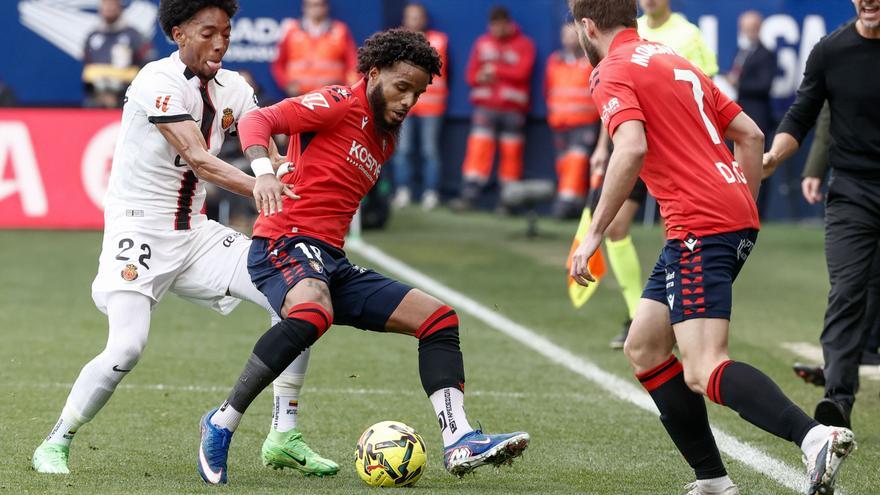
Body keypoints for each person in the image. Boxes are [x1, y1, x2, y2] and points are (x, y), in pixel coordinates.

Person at [196, 28, 529, 485]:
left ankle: (460, 437)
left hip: (330, 260)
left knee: (439, 319)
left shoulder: (386, 137)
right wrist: (263, 172)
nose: (409, 100)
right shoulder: (337, 101)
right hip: (283, 243)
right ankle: (221, 422)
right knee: (314, 313)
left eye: (419, 92)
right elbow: (258, 122)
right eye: (401, 86)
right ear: (373, 74)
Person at [32, 0, 338, 478]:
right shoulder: (156, 82)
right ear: (178, 33)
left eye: (226, 33)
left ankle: (283, 435)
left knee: (298, 301)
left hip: (194, 233)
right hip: (138, 229)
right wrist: (262, 184)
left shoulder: (235, 87)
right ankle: (57, 439)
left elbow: (270, 151)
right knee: (126, 348)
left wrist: (282, 169)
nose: (220, 43)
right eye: (207, 32)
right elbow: (198, 159)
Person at [567, 1, 855, 494]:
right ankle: (713, 481)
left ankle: (814, 437)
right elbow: (751, 135)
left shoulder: (608, 71)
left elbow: (630, 148)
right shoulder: (671, 58)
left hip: (699, 223)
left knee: (703, 366)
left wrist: (595, 230)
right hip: (721, 215)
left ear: (587, 26)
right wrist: (740, 205)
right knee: (645, 346)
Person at [763, 0, 880, 430]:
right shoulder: (831, 51)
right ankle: (838, 401)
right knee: (847, 291)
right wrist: (773, 156)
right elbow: (801, 115)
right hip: (852, 191)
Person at [596, 0, 720, 349]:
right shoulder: (628, 31)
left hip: (674, 151)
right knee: (615, 227)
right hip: (633, 144)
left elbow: (704, 91)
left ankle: (677, 315)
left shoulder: (688, 34)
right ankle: (636, 312)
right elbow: (612, 95)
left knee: (678, 234)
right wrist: (601, 149)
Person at [451, 5, 536, 211]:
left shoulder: (524, 44)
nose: (496, 30)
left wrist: (496, 70)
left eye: (500, 26)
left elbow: (522, 73)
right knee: (478, 151)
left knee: (511, 154)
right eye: (493, 26)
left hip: (513, 110)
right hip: (485, 108)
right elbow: (470, 76)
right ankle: (469, 196)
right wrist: (481, 76)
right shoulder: (482, 43)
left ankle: (508, 202)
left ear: (508, 24)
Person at [391, 2, 449, 210]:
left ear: (423, 19)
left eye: (417, 17)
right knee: (403, 150)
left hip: (432, 106)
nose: (414, 21)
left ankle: (431, 192)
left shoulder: (439, 40)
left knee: (429, 151)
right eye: (410, 16)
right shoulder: (397, 42)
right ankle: (403, 190)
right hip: (404, 106)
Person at [544, 23, 600, 219]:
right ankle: (575, 205)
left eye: (572, 35)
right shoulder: (555, 62)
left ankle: (565, 205)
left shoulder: (591, 63)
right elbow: (549, 89)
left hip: (584, 123)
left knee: (577, 163)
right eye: (565, 36)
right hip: (559, 123)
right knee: (564, 165)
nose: (568, 40)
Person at [727, 10, 777, 218]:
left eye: (753, 28)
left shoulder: (766, 54)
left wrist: (738, 84)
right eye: (746, 28)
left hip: (757, 116)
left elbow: (764, 85)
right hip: (737, 116)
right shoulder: (741, 51)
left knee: (758, 163)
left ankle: (758, 212)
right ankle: (735, 208)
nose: (749, 32)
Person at [271, 0, 358, 98]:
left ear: (326, 7)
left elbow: (353, 63)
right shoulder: (291, 30)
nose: (316, 9)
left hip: (332, 97)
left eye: (320, 5)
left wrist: (348, 88)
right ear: (304, 7)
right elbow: (278, 64)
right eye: (312, 5)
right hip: (299, 97)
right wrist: (287, 84)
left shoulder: (340, 30)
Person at [82, 0, 155, 108]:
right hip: (97, 98)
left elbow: (148, 64)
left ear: (120, 7)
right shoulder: (92, 36)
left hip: (126, 97)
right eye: (105, 5)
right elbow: (88, 67)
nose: (108, 8)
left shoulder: (134, 35)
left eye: (112, 4)